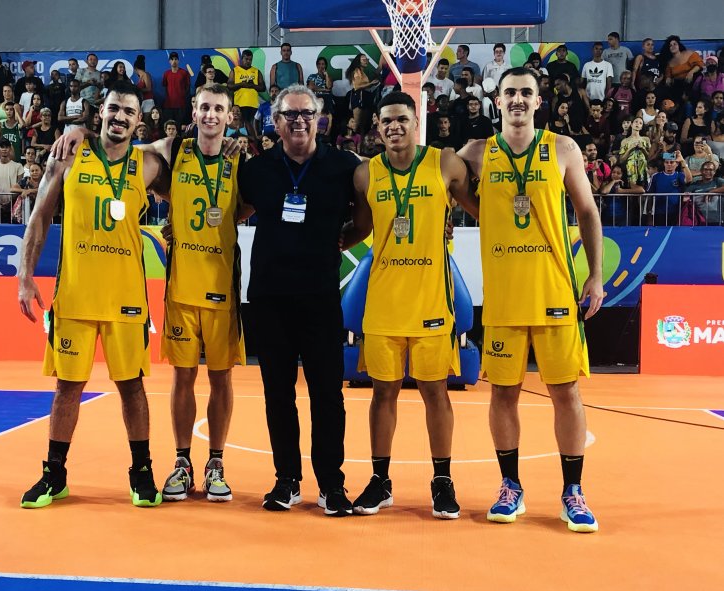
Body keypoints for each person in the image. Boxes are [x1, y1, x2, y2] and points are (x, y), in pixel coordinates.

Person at [458, 67, 604, 533]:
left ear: (538, 101)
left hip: (555, 292)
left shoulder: (562, 148)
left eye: (525, 92)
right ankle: (510, 485)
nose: (517, 99)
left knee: (566, 392)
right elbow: (443, 186)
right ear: (496, 101)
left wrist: (595, 276)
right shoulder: (477, 153)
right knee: (503, 393)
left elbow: (586, 211)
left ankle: (573, 492)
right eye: (509, 93)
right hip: (503, 298)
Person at [17, 81, 170, 509]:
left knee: (131, 388)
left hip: (126, 299)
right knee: (68, 386)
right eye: (114, 109)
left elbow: (183, 171)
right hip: (76, 296)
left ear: (139, 121)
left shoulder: (150, 164)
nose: (120, 117)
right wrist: (25, 276)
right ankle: (54, 475)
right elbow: (41, 216)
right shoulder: (69, 154)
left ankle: (142, 472)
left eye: (129, 112)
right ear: (99, 112)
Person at [341, 91, 477, 518]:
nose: (394, 127)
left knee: (436, 394)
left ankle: (442, 480)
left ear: (417, 121)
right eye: (386, 121)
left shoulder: (446, 163)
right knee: (383, 394)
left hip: (432, 303)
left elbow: (482, 208)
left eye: (402, 119)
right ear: (377, 128)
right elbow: (358, 229)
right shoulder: (366, 174)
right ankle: (380, 481)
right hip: (382, 304)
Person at [238, 84, 358, 517]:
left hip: (322, 298)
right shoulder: (254, 169)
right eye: (290, 114)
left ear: (320, 116)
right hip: (269, 299)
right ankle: (286, 479)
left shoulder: (345, 167)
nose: (299, 121)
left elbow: (366, 214)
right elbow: (229, 206)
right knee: (278, 395)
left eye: (306, 113)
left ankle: (331, 485)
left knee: (329, 395)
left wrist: (348, 238)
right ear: (276, 120)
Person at [155, 84, 247, 503]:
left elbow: (250, 203)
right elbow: (135, 160)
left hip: (222, 290)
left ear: (230, 116)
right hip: (181, 290)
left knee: (221, 377)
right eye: (205, 107)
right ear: (193, 111)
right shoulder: (175, 150)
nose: (211, 115)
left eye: (219, 109)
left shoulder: (239, 159)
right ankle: (181, 462)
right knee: (183, 377)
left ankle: (215, 462)